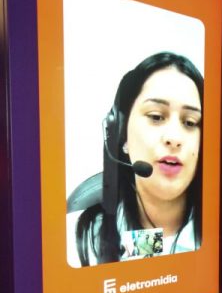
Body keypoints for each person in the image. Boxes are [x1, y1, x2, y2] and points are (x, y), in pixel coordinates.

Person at [67, 52, 203, 267]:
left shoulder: (213, 234)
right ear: (121, 135)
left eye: (190, 122)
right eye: (156, 117)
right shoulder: (79, 239)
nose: (174, 138)